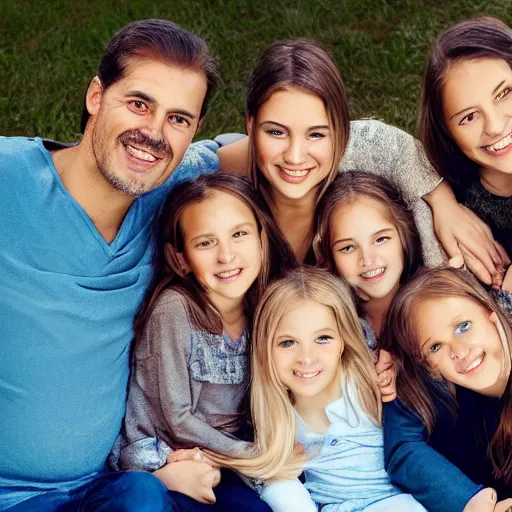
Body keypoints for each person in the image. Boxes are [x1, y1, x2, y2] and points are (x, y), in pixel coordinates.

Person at [0, 19, 221, 511]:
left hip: (104, 487)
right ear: (96, 95)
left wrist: (432, 190)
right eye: (139, 104)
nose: (154, 133)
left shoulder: (168, 193)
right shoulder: (7, 179)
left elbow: (285, 149)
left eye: (178, 119)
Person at [218, 39, 505, 285]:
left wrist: (443, 202)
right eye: (276, 132)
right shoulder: (215, 180)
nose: (295, 155)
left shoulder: (352, 152)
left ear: (341, 132)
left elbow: (385, 143)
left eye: (316, 134)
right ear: (250, 124)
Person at [111, 172, 295, 510]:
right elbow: (176, 418)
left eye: (239, 234)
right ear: (181, 259)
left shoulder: (263, 305)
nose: (226, 256)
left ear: (261, 238)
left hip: (224, 455)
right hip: (165, 453)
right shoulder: (174, 310)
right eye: (205, 243)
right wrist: (256, 456)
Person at [209, 266, 425, 511]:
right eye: (288, 343)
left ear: (344, 340)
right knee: (279, 485)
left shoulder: (369, 382)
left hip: (396, 504)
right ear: (265, 349)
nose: (306, 358)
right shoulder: (278, 412)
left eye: (323, 338)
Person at [381, 267, 512, 512]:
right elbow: (403, 448)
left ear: (492, 315)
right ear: (429, 368)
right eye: (435, 347)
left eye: (463, 326)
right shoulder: (460, 410)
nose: (459, 352)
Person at [419, 17, 512, 261]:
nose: (495, 126)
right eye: (469, 117)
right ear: (446, 130)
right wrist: (441, 200)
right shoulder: (458, 210)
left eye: (504, 93)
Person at [314, 171, 423, 341]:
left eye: (381, 239)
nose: (367, 259)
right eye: (348, 248)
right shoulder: (328, 325)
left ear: (404, 235)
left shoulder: (429, 312)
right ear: (329, 255)